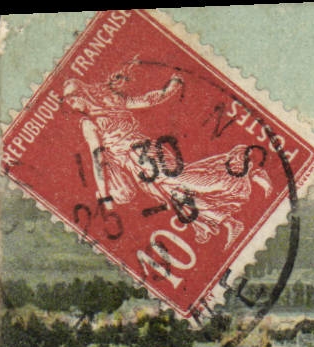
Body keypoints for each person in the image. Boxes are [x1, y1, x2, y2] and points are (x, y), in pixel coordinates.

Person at [64, 58, 272, 244]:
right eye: (69, 102)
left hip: (144, 156)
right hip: (139, 163)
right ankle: (229, 222)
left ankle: (246, 169)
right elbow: (146, 100)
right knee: (174, 194)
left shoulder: (91, 121)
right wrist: (169, 89)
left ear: (84, 94)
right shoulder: (109, 101)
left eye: (73, 99)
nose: (72, 105)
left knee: (183, 181)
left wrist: (106, 198)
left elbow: (98, 159)